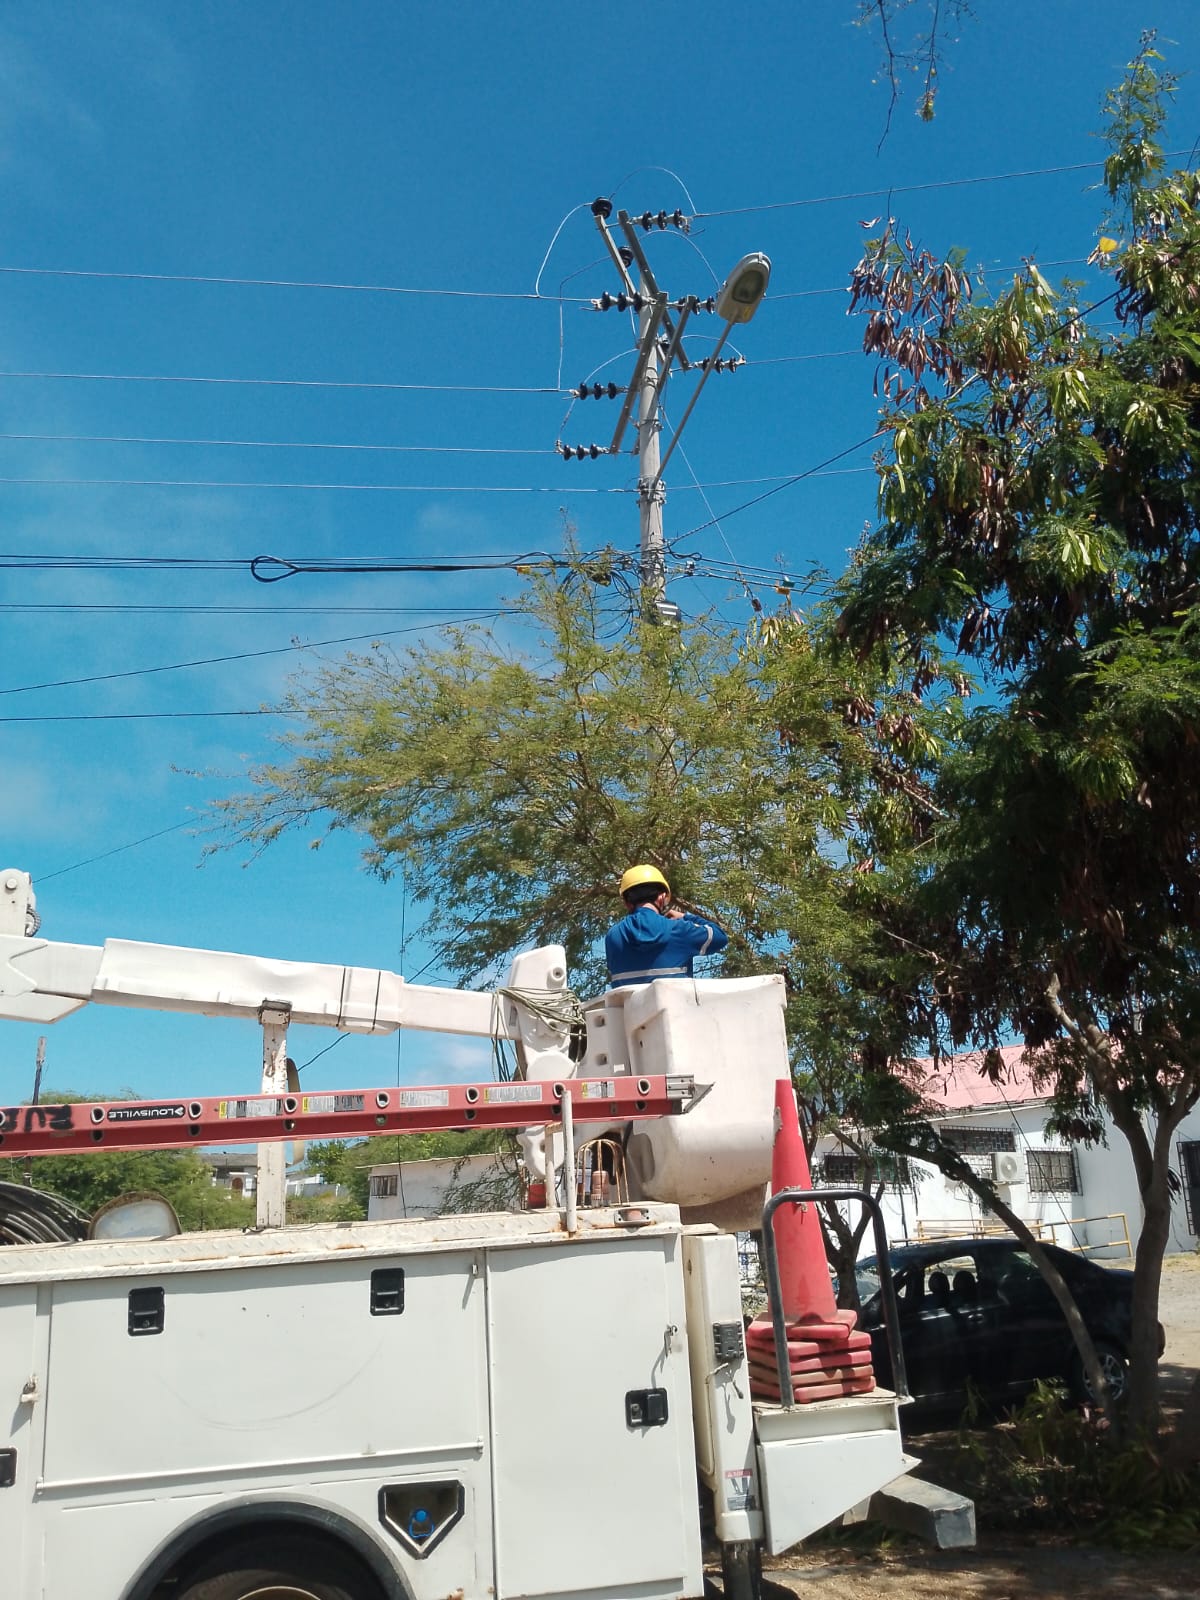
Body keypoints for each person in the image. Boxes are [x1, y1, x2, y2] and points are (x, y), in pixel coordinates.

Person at [605, 864, 728, 989]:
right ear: (662, 897)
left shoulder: (612, 936)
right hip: (675, 1002)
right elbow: (720, 937)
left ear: (627, 903)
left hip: (630, 1003)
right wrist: (685, 917)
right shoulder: (678, 929)